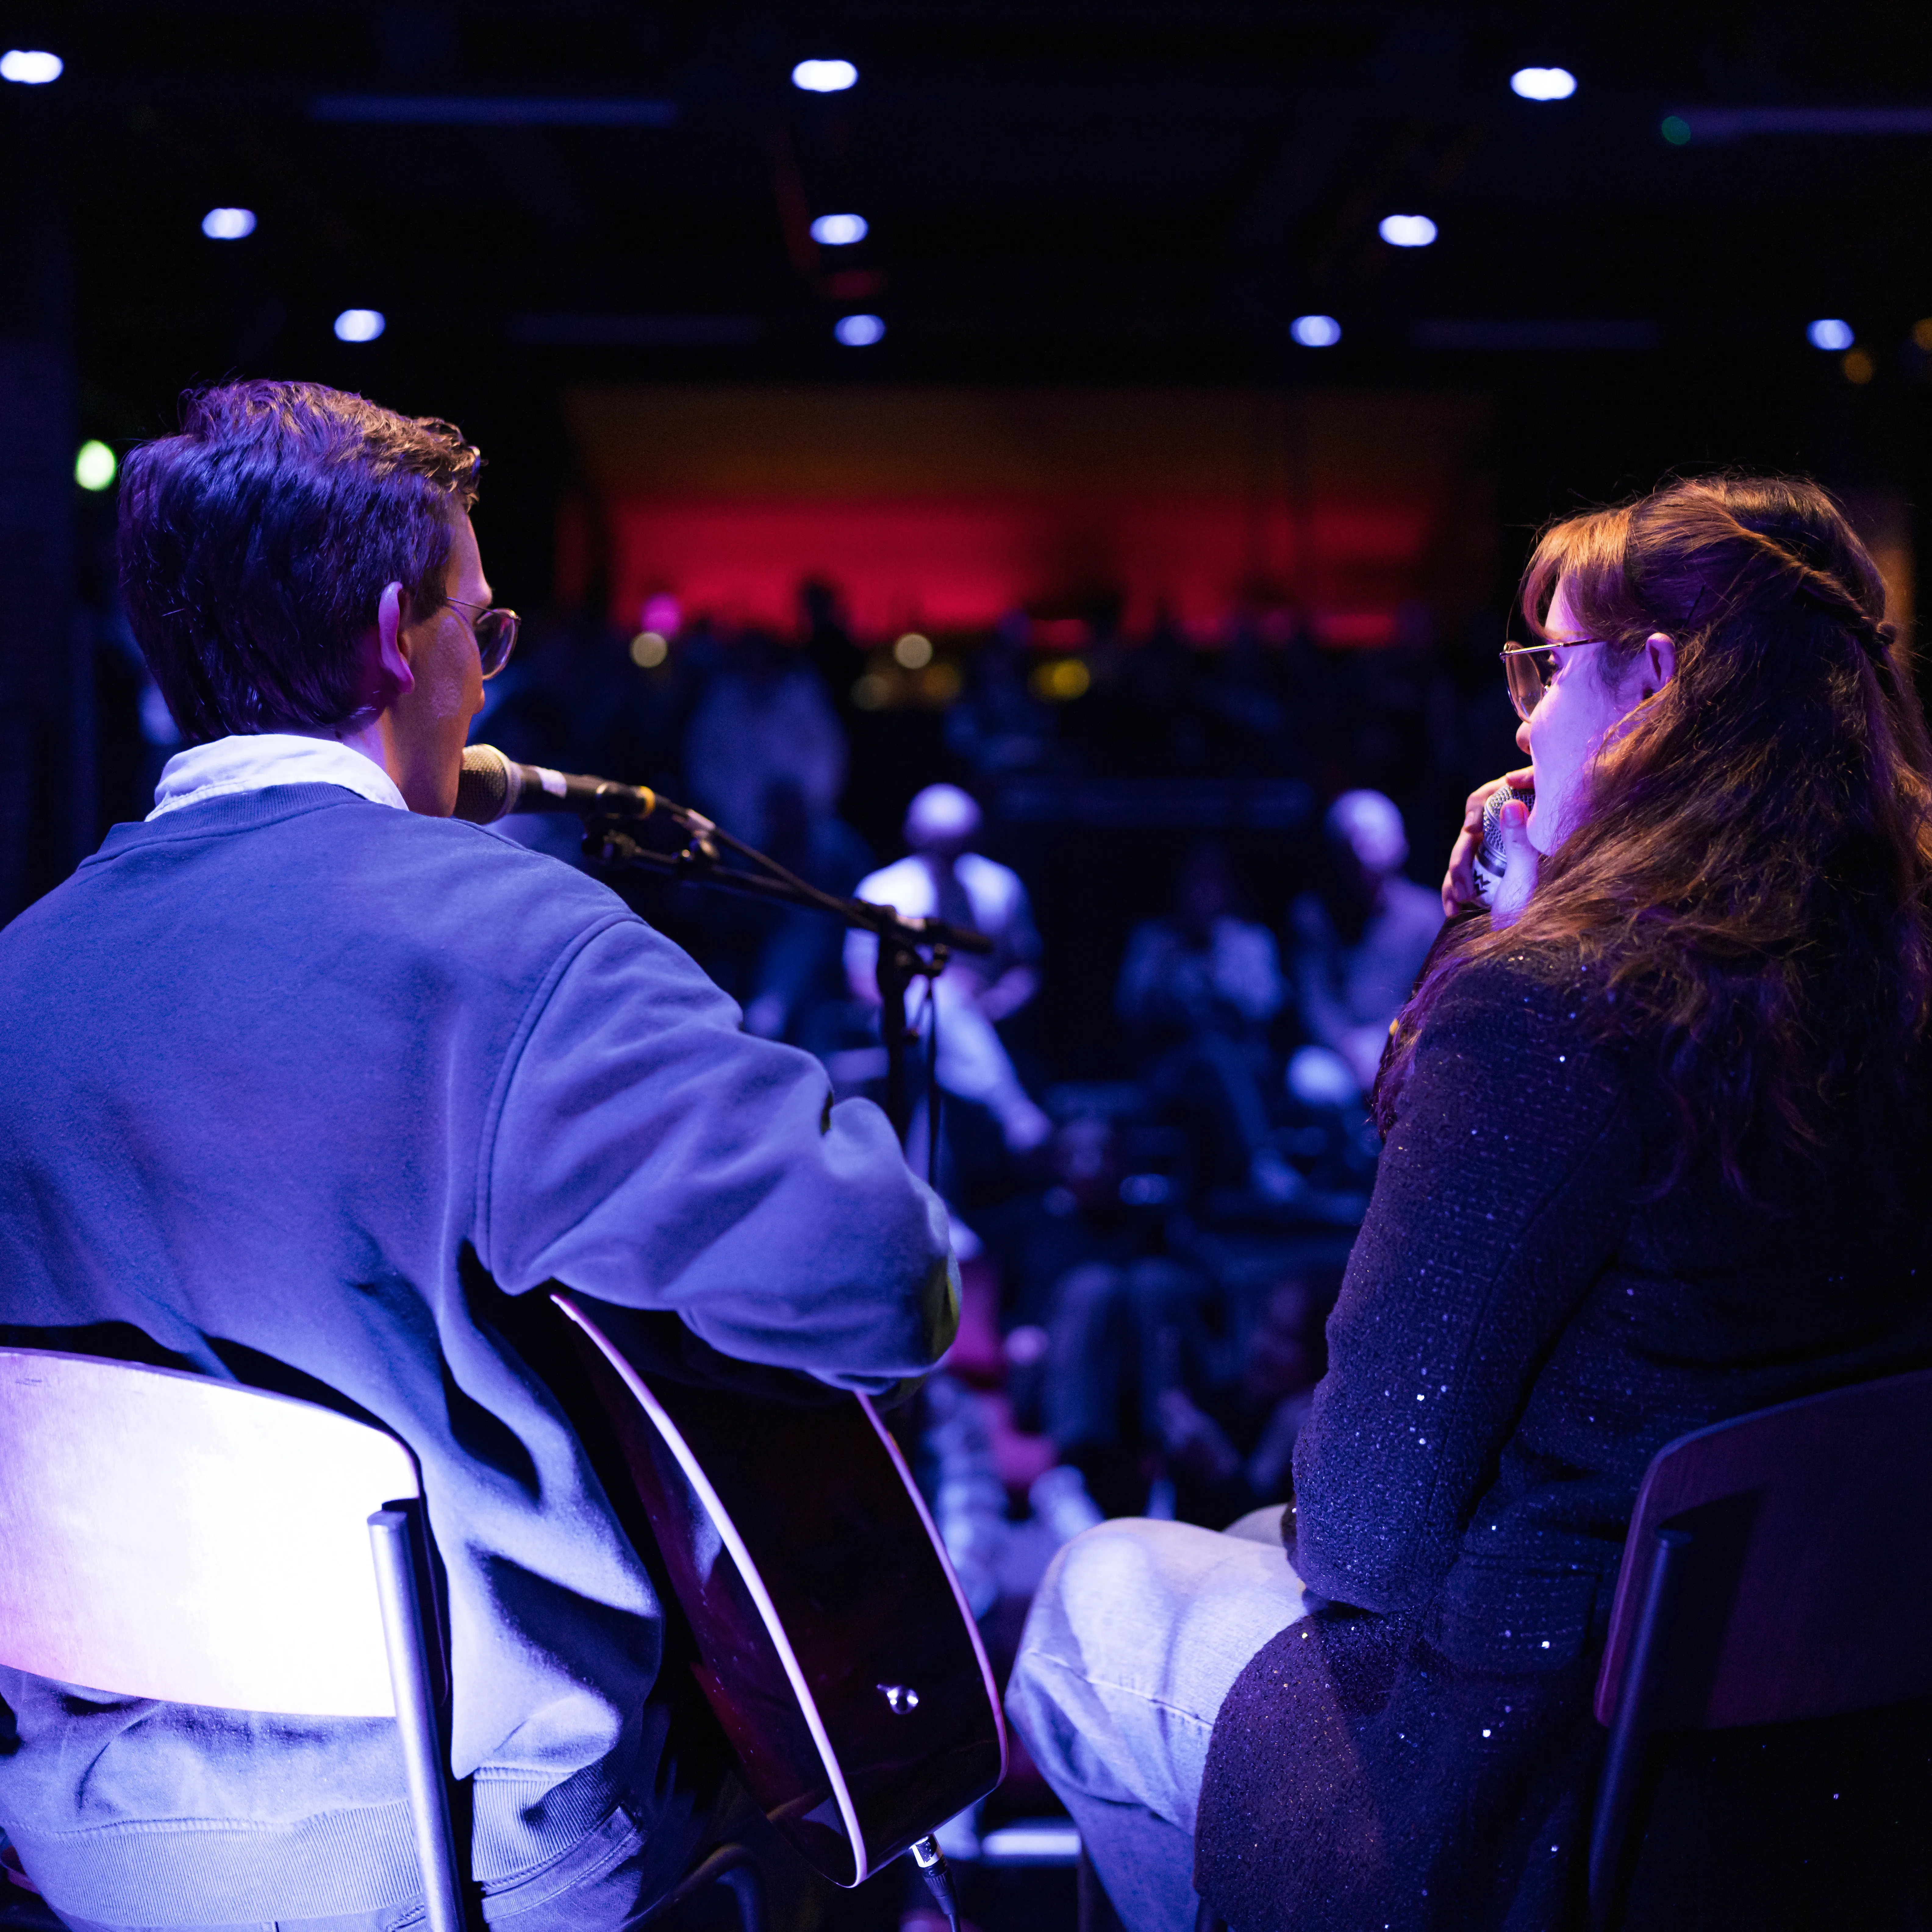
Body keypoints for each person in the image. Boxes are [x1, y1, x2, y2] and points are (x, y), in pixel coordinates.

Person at [0, 382, 957, 1932]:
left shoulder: (20, 976)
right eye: (482, 629)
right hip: (484, 1841)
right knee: (881, 1831)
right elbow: (875, 1281)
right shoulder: (512, 940)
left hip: (100, 1843)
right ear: (399, 634)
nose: (483, 678)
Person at [1007, 476, 1932, 1931]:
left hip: (1550, 1793)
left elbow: (1366, 1527)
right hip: (1837, 1784)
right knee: (1245, 1540)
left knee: (1090, 1598)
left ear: (1653, 685)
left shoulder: (1554, 1004)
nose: (1519, 721)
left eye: (1544, 669)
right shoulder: (1890, 973)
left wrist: (1473, 959)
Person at [845, 783, 1052, 1154]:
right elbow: (861, 979)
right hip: (899, 1017)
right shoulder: (883, 890)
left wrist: (996, 1003)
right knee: (944, 999)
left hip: (985, 1020)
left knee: (947, 1048)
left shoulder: (1001, 886)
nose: (948, 853)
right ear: (914, 836)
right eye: (938, 842)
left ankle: (938, 1193)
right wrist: (932, 987)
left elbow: (1025, 968)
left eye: (959, 842)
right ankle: (1011, 1109)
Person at [1116, 841, 1295, 1201]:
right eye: (1194, 884)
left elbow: (1267, 1006)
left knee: (1218, 1053)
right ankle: (1262, 1161)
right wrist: (1173, 992)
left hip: (1245, 1071)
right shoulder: (1154, 942)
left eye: (1211, 884)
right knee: (1208, 1053)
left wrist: (1219, 980)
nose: (1202, 895)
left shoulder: (1250, 941)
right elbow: (1129, 1007)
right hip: (1172, 1072)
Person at [1284, 788, 1441, 1099]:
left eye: (1377, 834)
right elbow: (1314, 1000)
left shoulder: (1427, 915)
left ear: (1401, 842)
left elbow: (1429, 997)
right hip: (1340, 1055)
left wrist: (1387, 1040)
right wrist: (1348, 1045)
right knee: (1309, 1078)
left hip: (1404, 1047)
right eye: (1355, 837)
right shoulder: (1314, 916)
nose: (1366, 847)